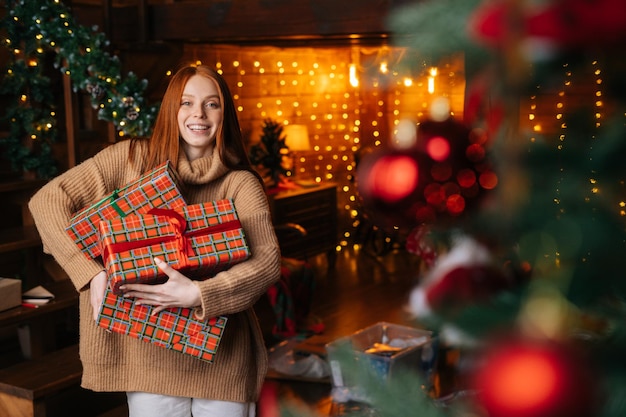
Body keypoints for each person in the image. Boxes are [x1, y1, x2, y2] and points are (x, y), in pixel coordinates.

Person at [28, 64, 282, 417]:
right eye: (187, 102)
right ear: (170, 110)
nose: (199, 114)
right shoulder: (131, 159)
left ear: (225, 114)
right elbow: (47, 201)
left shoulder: (239, 183)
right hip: (147, 355)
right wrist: (91, 273)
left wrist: (199, 293)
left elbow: (267, 260)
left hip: (224, 355)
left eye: (212, 104)